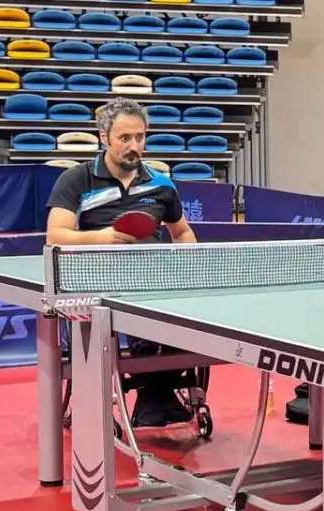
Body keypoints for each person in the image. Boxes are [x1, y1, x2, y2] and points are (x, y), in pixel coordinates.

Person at [46, 97, 200, 427]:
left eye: (140, 137)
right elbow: (55, 236)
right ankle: (136, 394)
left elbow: (182, 232)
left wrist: (190, 265)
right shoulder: (77, 180)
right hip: (96, 284)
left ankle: (156, 389)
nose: (134, 146)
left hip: (155, 281)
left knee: (192, 316)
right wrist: (102, 237)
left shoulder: (161, 183)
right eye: (125, 138)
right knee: (105, 317)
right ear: (105, 138)